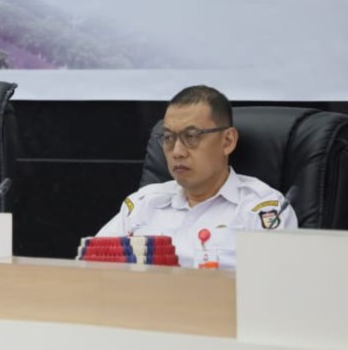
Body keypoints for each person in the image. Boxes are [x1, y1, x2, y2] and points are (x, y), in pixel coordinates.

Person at [96, 85, 297, 268]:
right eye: (168, 138)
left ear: (227, 141)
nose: (177, 152)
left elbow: (276, 287)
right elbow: (92, 271)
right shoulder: (142, 205)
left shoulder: (260, 210)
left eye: (191, 136)